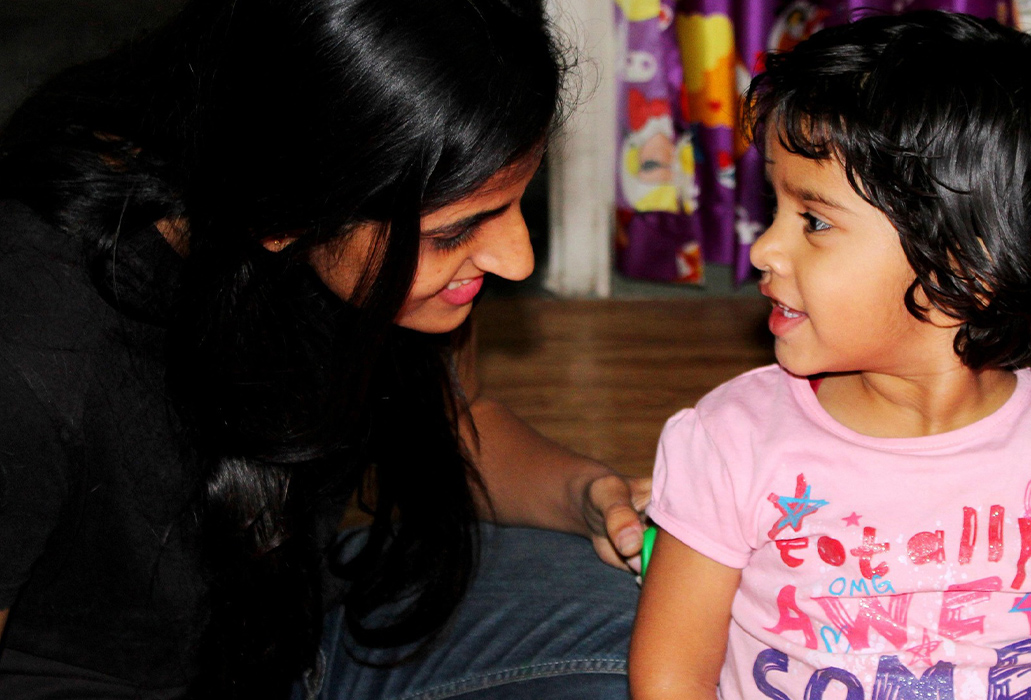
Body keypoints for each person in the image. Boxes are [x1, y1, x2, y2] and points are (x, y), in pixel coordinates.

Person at [0, 1, 646, 698]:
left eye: (520, 199)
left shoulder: (329, 194)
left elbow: (458, 417)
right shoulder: (34, 343)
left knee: (676, 625)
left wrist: (586, 495)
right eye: (455, 233)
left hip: (298, 624)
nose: (519, 261)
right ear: (281, 210)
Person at [629, 11, 1031, 699]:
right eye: (775, 208)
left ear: (967, 262)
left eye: (813, 220)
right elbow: (670, 680)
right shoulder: (731, 442)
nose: (764, 249)